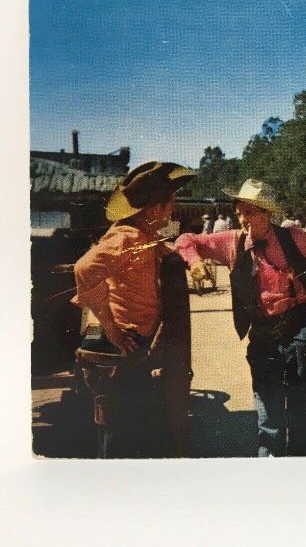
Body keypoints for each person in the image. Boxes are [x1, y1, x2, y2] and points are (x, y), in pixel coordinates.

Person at [174, 179, 306, 457]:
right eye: (239, 212)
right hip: (262, 332)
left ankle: (299, 464)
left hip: (299, 328)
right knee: (267, 405)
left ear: (267, 213)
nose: (242, 219)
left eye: (250, 212)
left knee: (300, 405)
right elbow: (185, 240)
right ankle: (268, 466)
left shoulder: (293, 239)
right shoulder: (232, 242)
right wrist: (195, 262)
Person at [71, 161, 196, 457]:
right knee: (120, 437)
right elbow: (84, 269)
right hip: (121, 353)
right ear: (154, 208)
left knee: (132, 431)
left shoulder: (143, 237)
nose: (172, 209)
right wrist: (112, 329)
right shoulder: (128, 236)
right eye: (170, 203)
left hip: (133, 353)